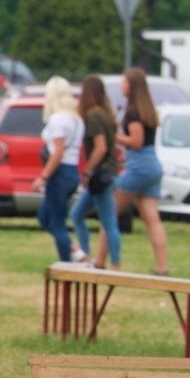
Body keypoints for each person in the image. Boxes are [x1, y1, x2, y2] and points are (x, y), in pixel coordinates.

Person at [113, 67, 169, 275]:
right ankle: (162, 267)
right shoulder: (146, 109)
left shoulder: (133, 112)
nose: (121, 85)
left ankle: (101, 261)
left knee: (110, 214)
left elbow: (135, 142)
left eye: (124, 82)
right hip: (153, 165)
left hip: (138, 166)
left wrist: (114, 136)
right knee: (152, 219)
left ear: (132, 85)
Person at [68, 75, 121, 270]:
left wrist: (87, 171)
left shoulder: (93, 116)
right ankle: (85, 256)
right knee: (76, 214)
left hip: (101, 177)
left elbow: (100, 148)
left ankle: (116, 265)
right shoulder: (105, 113)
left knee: (109, 224)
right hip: (105, 175)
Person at [31, 76, 83, 262]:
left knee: (56, 221)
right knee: (45, 216)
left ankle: (66, 263)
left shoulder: (57, 119)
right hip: (72, 171)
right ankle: (75, 252)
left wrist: (43, 177)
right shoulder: (76, 119)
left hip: (59, 173)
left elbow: (58, 152)